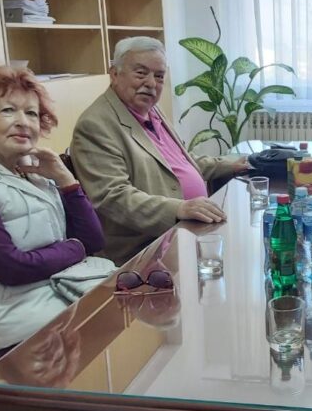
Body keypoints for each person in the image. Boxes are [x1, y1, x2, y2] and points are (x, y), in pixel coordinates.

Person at [0, 64, 114, 359]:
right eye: (8, 110)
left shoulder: (30, 168)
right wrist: (74, 249)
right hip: (5, 324)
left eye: (31, 113)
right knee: (120, 343)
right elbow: (12, 268)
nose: (23, 122)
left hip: (54, 298)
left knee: (142, 316)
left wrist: (65, 179)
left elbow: (94, 239)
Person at [71, 37, 249, 265]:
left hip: (189, 231)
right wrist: (179, 208)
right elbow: (113, 197)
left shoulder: (151, 110)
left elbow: (179, 162)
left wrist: (230, 164)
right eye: (141, 73)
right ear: (114, 74)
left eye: (159, 76)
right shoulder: (95, 125)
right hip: (145, 248)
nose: (151, 83)